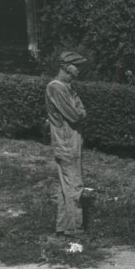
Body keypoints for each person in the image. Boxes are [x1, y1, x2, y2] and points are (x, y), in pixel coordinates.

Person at [45, 51, 88, 237]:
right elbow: (76, 114)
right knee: (74, 185)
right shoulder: (57, 88)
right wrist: (79, 112)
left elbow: (81, 110)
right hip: (66, 141)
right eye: (76, 65)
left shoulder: (67, 87)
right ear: (66, 67)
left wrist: (80, 111)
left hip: (71, 140)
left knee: (66, 186)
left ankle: (63, 226)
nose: (79, 69)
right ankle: (74, 229)